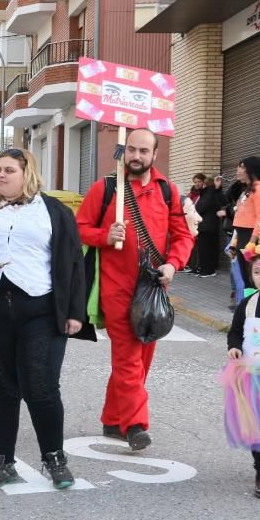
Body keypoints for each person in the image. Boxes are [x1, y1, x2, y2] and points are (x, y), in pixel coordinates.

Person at [0, 147, 85, 490]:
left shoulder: (52, 211)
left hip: (40, 309)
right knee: (2, 389)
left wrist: (75, 313)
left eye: (9, 170)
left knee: (41, 387)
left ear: (28, 173)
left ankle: (54, 458)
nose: (1, 176)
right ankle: (3, 461)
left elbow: (74, 263)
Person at [75, 129, 193, 450]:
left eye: (144, 150)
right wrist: (105, 235)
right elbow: (80, 228)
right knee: (128, 358)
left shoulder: (168, 191)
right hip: (116, 290)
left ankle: (113, 419)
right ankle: (136, 425)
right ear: (123, 151)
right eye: (131, 149)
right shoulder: (107, 187)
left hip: (153, 290)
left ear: (155, 154)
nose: (136, 156)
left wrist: (173, 264)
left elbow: (183, 236)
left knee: (141, 358)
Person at [222, 251, 260, 499]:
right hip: (254, 377)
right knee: (258, 425)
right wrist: (234, 347)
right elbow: (235, 331)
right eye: (257, 272)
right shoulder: (248, 304)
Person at [230, 157, 260, 289]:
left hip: (252, 239)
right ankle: (249, 306)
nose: (238, 170)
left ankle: (257, 307)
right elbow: (240, 218)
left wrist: (252, 242)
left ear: (250, 169)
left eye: (241, 167)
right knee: (246, 278)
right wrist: (234, 243)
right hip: (242, 237)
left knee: (254, 279)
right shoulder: (247, 190)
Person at [193, 176, 225, 278]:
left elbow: (200, 208)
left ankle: (208, 270)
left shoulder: (209, 193)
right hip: (206, 226)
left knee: (207, 250)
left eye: (202, 183)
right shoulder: (207, 194)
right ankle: (204, 269)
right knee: (204, 249)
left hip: (208, 227)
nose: (200, 185)